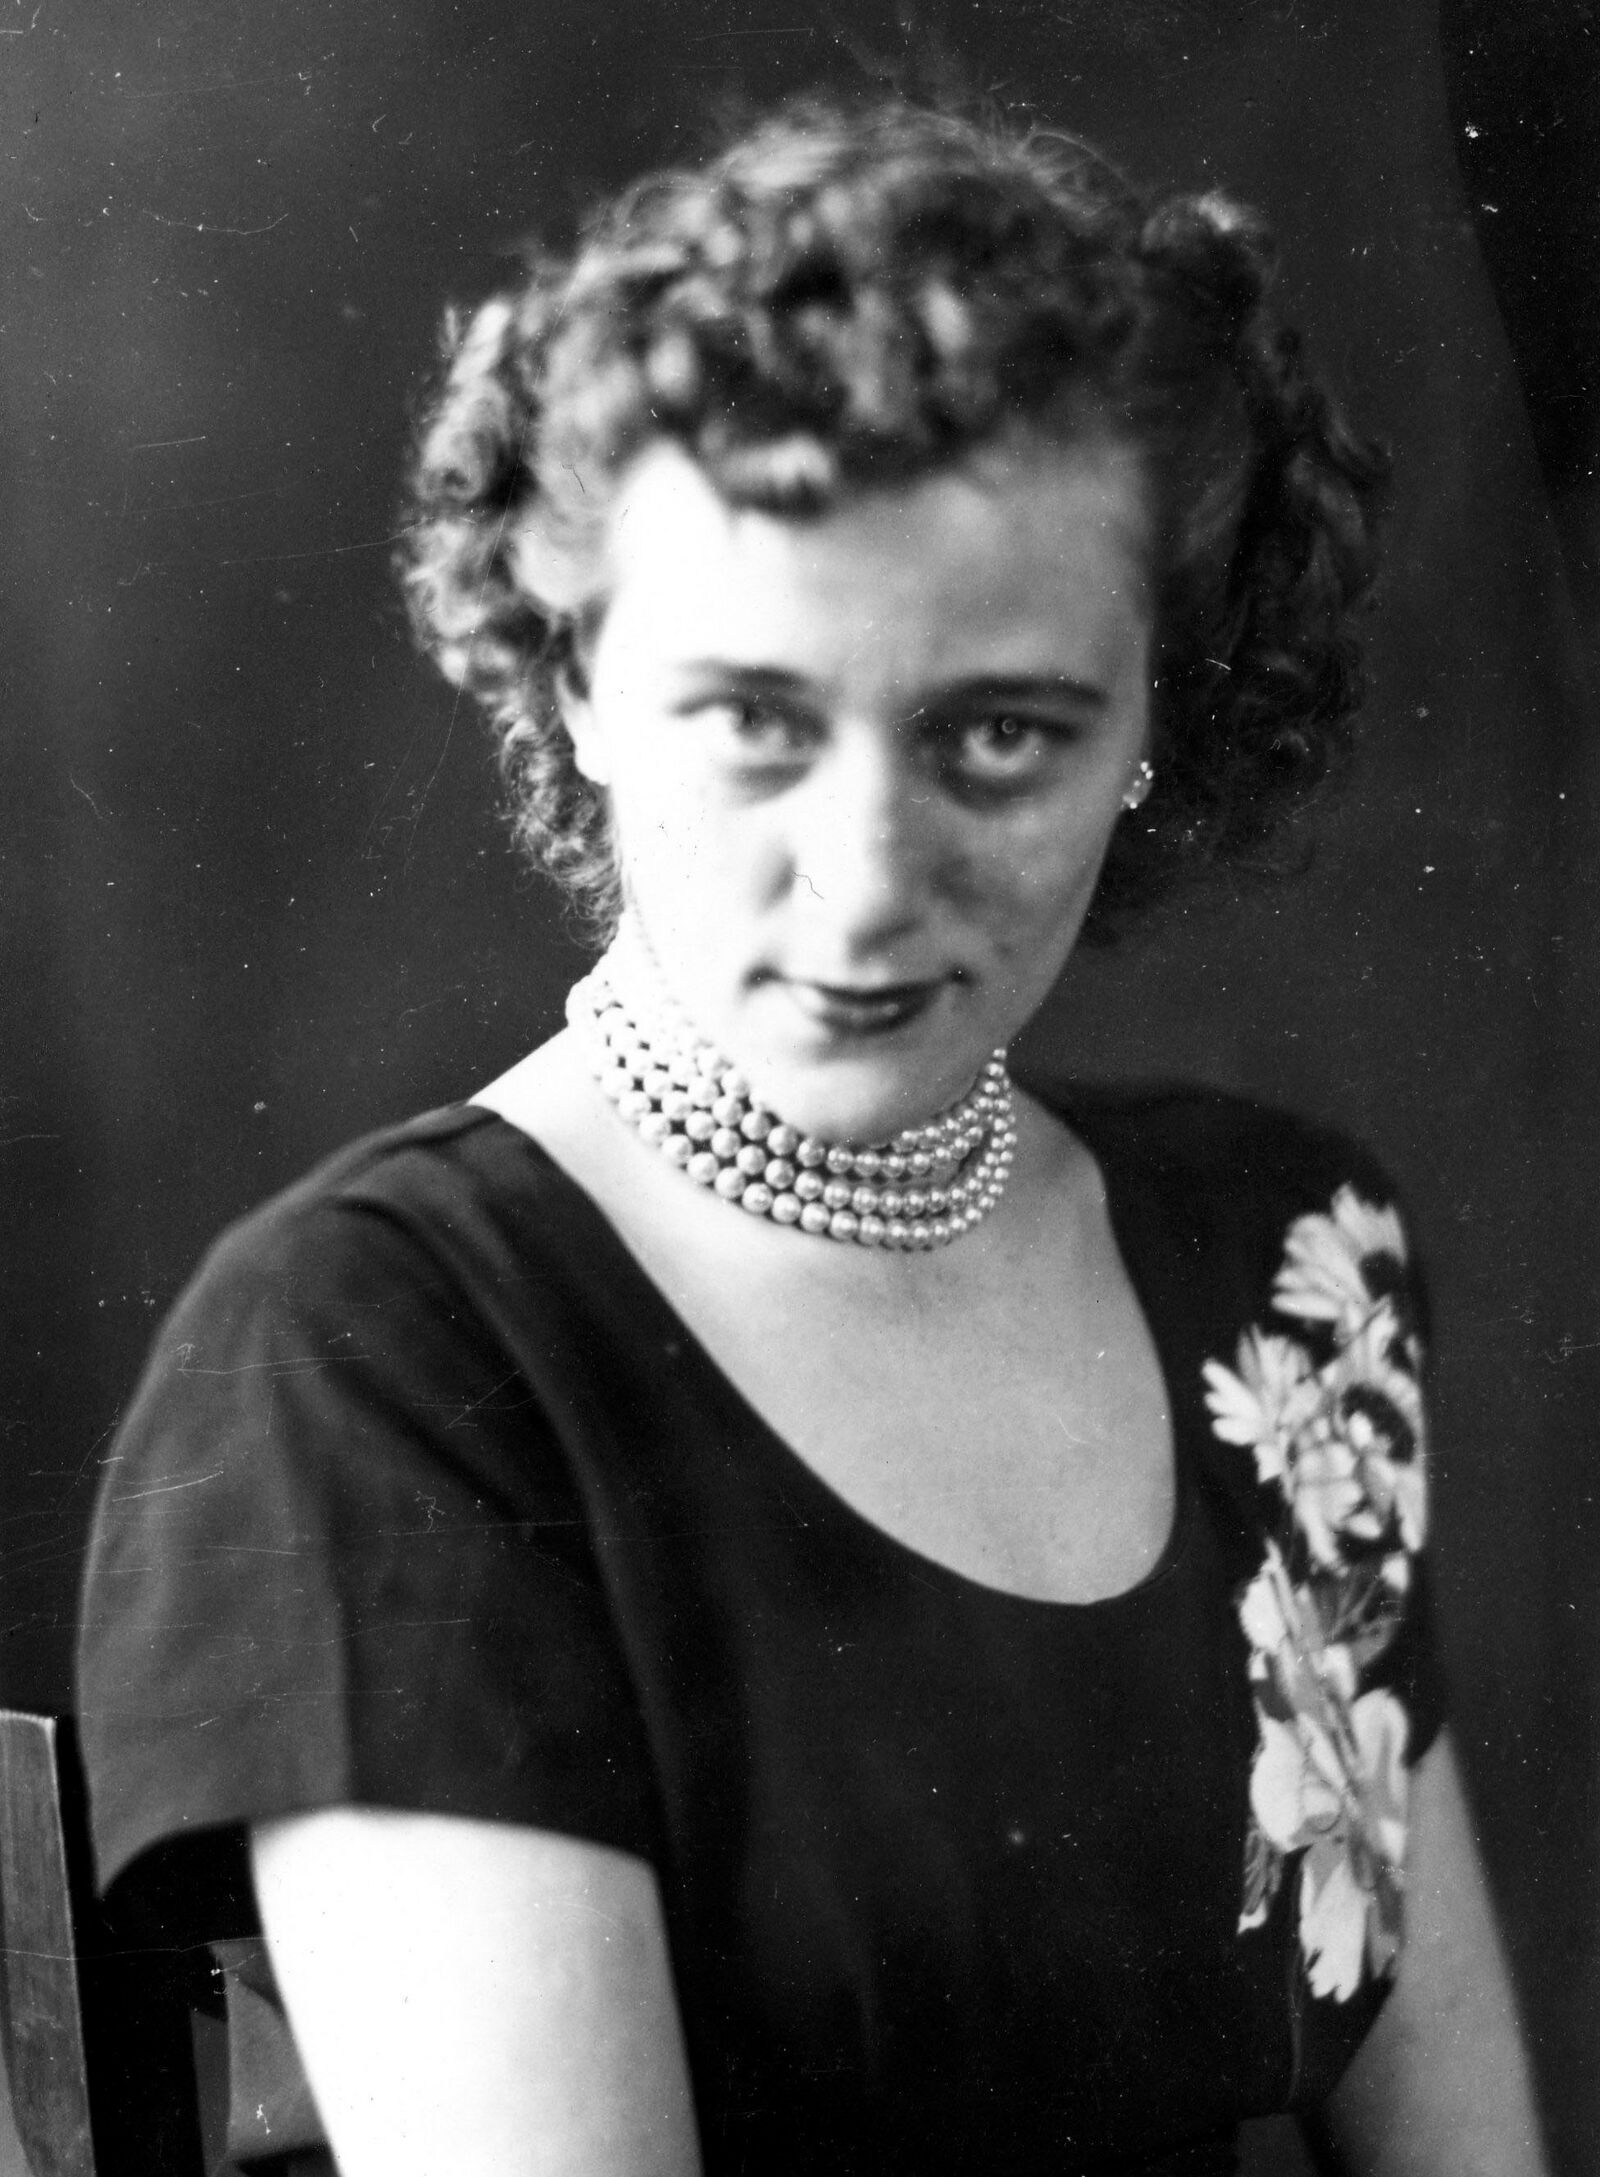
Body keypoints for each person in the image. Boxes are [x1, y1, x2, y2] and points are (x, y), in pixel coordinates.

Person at [77, 97, 1546, 2177]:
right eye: (755, 719)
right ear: (579, 687)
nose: (862, 883)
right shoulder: (373, 1351)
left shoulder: (1284, 1263)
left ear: (1156, 722)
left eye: (1000, 731)